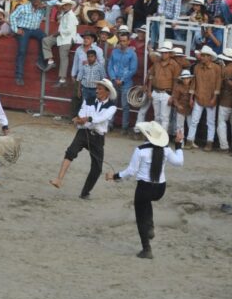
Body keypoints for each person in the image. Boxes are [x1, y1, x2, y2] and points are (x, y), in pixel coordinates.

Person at [106, 121, 184, 259]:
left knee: (140, 215)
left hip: (144, 188)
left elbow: (131, 171)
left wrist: (115, 176)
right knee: (146, 202)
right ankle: (150, 227)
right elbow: (179, 162)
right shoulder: (166, 149)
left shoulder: (140, 150)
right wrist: (178, 144)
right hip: (160, 189)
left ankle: (146, 248)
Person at [50, 78, 118, 198]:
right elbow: (82, 113)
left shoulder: (112, 107)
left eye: (100, 89)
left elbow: (100, 118)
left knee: (97, 168)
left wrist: (85, 119)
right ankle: (59, 179)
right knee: (70, 151)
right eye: (97, 88)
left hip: (98, 137)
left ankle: (85, 192)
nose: (97, 90)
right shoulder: (89, 100)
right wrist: (79, 120)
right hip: (84, 132)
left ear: (107, 92)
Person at [186, 46, 222, 150]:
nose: (202, 57)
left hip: (210, 97)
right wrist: (191, 97)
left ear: (210, 57)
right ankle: (190, 140)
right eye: (202, 55)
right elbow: (194, 83)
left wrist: (214, 98)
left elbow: (218, 84)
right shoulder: (197, 67)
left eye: (205, 55)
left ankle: (209, 142)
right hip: (199, 96)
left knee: (210, 122)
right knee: (194, 120)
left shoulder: (216, 68)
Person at [9, 0, 47, 86]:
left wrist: (45, 6)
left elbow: (54, 3)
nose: (36, 1)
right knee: (22, 51)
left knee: (45, 39)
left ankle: (41, 61)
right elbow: (12, 16)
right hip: (24, 29)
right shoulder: (23, 7)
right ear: (31, 0)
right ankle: (19, 76)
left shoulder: (41, 8)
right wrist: (16, 29)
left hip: (35, 30)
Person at [107, 26, 138, 134]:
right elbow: (110, 66)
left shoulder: (132, 54)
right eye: (121, 41)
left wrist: (123, 79)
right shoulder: (114, 52)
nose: (122, 43)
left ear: (129, 41)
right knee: (112, 104)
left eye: (124, 41)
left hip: (126, 83)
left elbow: (133, 69)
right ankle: (110, 124)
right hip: (115, 81)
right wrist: (114, 78)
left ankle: (124, 127)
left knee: (125, 105)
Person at [42, 0, 78, 86]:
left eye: (66, 5)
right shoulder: (64, 14)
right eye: (64, 5)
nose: (64, 7)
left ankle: (62, 80)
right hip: (61, 37)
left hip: (67, 38)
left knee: (63, 57)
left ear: (70, 6)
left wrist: (58, 32)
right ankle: (50, 61)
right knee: (46, 41)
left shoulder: (71, 16)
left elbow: (69, 30)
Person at [148, 41, 182, 131]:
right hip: (156, 91)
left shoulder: (174, 65)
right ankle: (156, 138)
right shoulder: (157, 62)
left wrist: (173, 96)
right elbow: (151, 76)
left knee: (164, 117)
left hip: (166, 93)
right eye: (162, 53)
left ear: (170, 54)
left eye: (166, 53)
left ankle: (162, 139)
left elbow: (176, 82)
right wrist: (149, 90)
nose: (164, 55)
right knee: (157, 116)